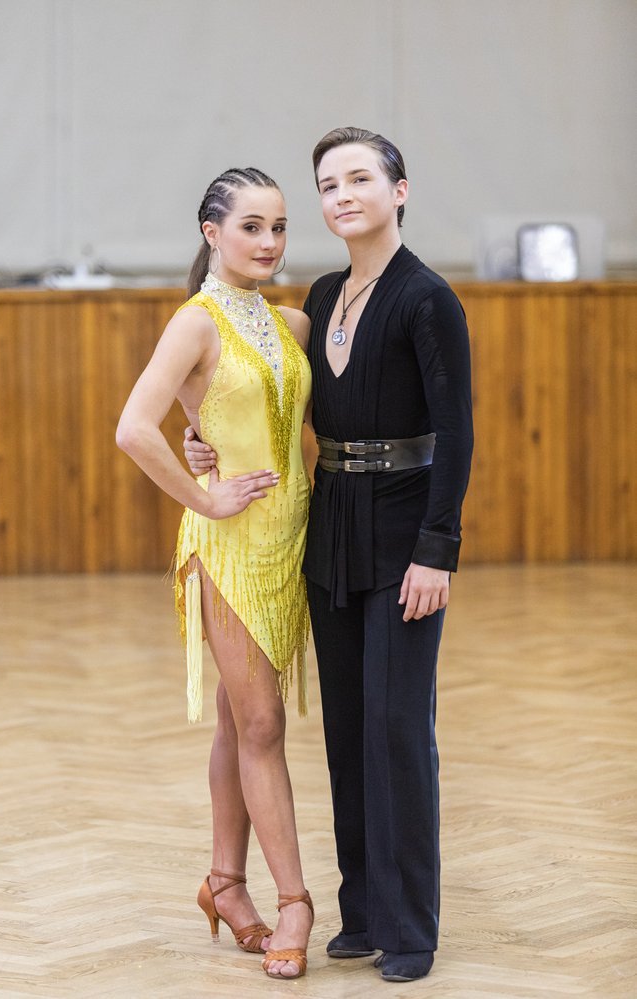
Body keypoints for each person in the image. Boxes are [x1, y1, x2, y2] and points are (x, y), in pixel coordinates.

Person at [185, 128, 474, 984]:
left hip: (405, 531)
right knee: (347, 732)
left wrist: (438, 548)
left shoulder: (428, 299)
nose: (342, 194)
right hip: (330, 523)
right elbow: (254, 389)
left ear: (400, 190)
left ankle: (412, 928)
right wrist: (203, 444)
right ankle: (362, 913)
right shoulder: (319, 293)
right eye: (328, 183)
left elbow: (456, 435)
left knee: (397, 729)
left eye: (359, 178)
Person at [116, 167, 315, 981]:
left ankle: (225, 883)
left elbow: (296, 431)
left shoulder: (295, 322)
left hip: (292, 539)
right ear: (212, 233)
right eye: (251, 228)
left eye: (278, 227)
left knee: (241, 724)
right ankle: (296, 899)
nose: (268, 243)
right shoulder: (193, 323)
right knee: (263, 725)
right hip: (227, 544)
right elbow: (134, 427)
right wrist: (203, 491)